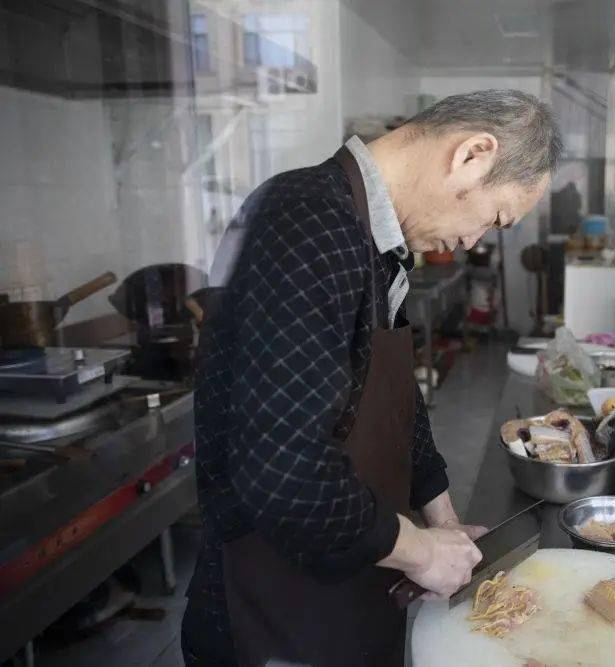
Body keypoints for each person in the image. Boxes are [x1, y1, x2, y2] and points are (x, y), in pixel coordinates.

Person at [182, 89, 562, 667]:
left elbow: (393, 401)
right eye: (493, 218)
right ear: (472, 155)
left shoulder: (375, 241)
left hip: (344, 587)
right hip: (271, 615)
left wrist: (445, 524)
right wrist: (422, 554)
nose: (471, 242)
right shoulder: (307, 220)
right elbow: (284, 472)